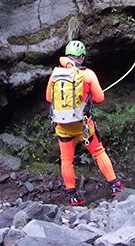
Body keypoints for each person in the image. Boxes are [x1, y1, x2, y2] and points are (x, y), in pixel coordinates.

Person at [45, 40, 124, 206]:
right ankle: (115, 186)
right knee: (98, 151)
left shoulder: (56, 73)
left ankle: (73, 196)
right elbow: (100, 98)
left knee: (66, 159)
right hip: (82, 125)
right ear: (81, 57)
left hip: (62, 126)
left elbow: (48, 98)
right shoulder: (87, 74)